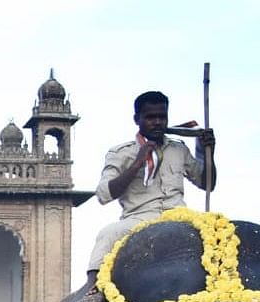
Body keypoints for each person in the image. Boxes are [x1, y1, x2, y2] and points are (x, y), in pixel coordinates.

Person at [86, 90, 216, 275]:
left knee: (220, 231)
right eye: (150, 117)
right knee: (107, 234)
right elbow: (103, 195)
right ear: (136, 119)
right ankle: (92, 290)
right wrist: (137, 163)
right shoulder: (121, 153)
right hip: (138, 219)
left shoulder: (178, 149)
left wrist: (207, 152)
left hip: (180, 216)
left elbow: (207, 184)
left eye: (162, 117)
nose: (157, 122)